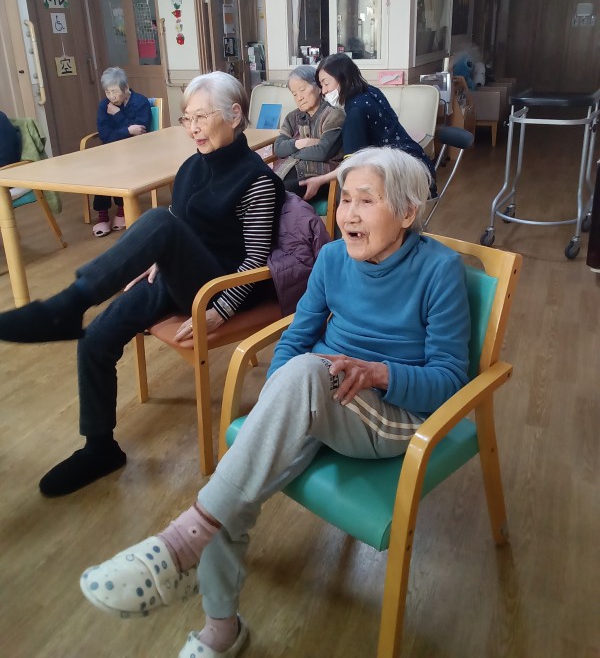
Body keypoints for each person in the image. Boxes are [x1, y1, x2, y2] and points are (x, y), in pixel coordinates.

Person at [78, 146, 470, 658]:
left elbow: (450, 379)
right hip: (322, 395)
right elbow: (296, 337)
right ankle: (221, 628)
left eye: (366, 200)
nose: (348, 213)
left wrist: (379, 373)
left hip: (393, 417)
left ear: (407, 212)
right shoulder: (332, 258)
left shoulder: (440, 270)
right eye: (344, 199)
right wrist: (278, 403)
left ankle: (180, 545)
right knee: (234, 484)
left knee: (301, 378)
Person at [0, 71, 290, 497]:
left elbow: (255, 259)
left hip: (222, 289)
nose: (192, 128)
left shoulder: (258, 179)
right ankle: (100, 447)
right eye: (187, 118)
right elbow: (180, 226)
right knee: (95, 338)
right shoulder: (191, 166)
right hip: (182, 278)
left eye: (201, 117)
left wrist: (221, 309)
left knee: (157, 220)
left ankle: (66, 305)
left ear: (234, 115)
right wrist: (154, 257)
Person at [301, 53, 436, 201]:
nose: (324, 91)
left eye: (326, 83)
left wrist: (320, 180)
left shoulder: (355, 112)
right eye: (321, 86)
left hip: (405, 180)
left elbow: (352, 164)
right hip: (419, 165)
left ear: (343, 78)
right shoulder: (371, 91)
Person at [93, 67, 153, 237]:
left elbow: (140, 131)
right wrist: (127, 130)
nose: (111, 97)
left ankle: (122, 209)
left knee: (120, 165)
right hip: (111, 150)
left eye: (114, 92)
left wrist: (119, 115)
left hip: (137, 150)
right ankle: (103, 214)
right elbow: (105, 135)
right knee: (101, 168)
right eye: (107, 92)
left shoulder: (140, 102)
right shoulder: (104, 106)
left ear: (125, 88)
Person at [273, 65, 344, 199]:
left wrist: (291, 153)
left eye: (302, 90)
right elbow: (278, 148)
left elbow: (323, 152)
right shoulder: (292, 117)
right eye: (294, 94)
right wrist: (303, 143)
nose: (299, 97)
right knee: (261, 187)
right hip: (288, 172)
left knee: (276, 193)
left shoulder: (334, 115)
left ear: (318, 87)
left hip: (318, 178)